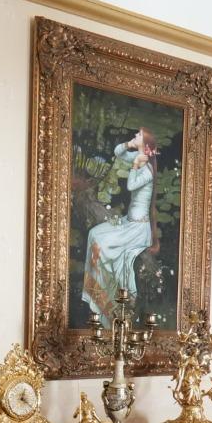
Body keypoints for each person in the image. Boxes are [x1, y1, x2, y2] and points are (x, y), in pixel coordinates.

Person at [81, 127, 158, 323]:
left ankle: (109, 302)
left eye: (138, 135)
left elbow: (131, 185)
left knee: (103, 245)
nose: (135, 136)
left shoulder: (148, 170)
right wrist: (129, 145)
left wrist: (135, 165)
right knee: (94, 233)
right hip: (127, 222)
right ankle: (95, 292)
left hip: (137, 229)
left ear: (145, 144)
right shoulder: (138, 157)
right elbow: (117, 152)